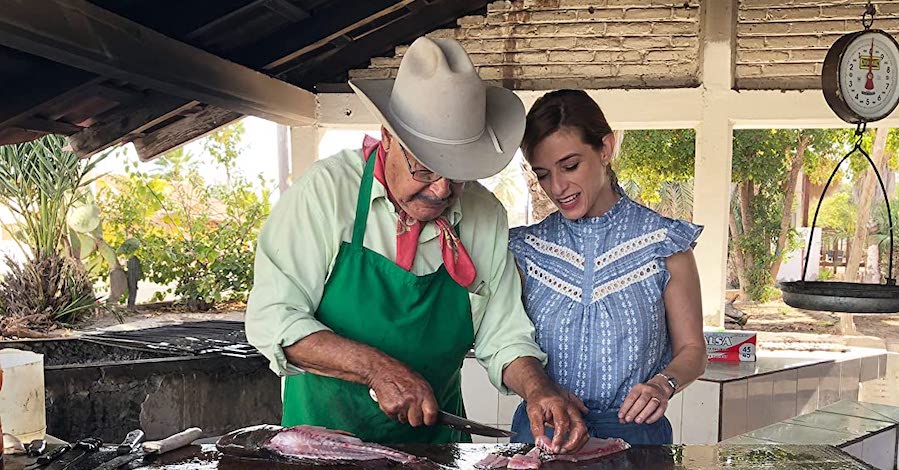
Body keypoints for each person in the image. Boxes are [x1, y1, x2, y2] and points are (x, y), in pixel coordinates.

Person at [245, 37, 587, 451]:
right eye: (425, 169)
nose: (442, 190)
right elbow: (273, 319)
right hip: (323, 446)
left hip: (436, 447)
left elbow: (504, 335)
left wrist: (537, 389)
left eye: (457, 173)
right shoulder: (326, 193)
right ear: (387, 138)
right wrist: (375, 369)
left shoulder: (484, 215)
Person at [507, 89, 707, 445]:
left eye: (570, 166)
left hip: (637, 440)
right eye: (543, 174)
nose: (558, 187)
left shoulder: (665, 244)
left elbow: (692, 350)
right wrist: (540, 389)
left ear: (605, 148)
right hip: (545, 436)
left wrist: (664, 384)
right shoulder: (526, 250)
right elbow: (502, 345)